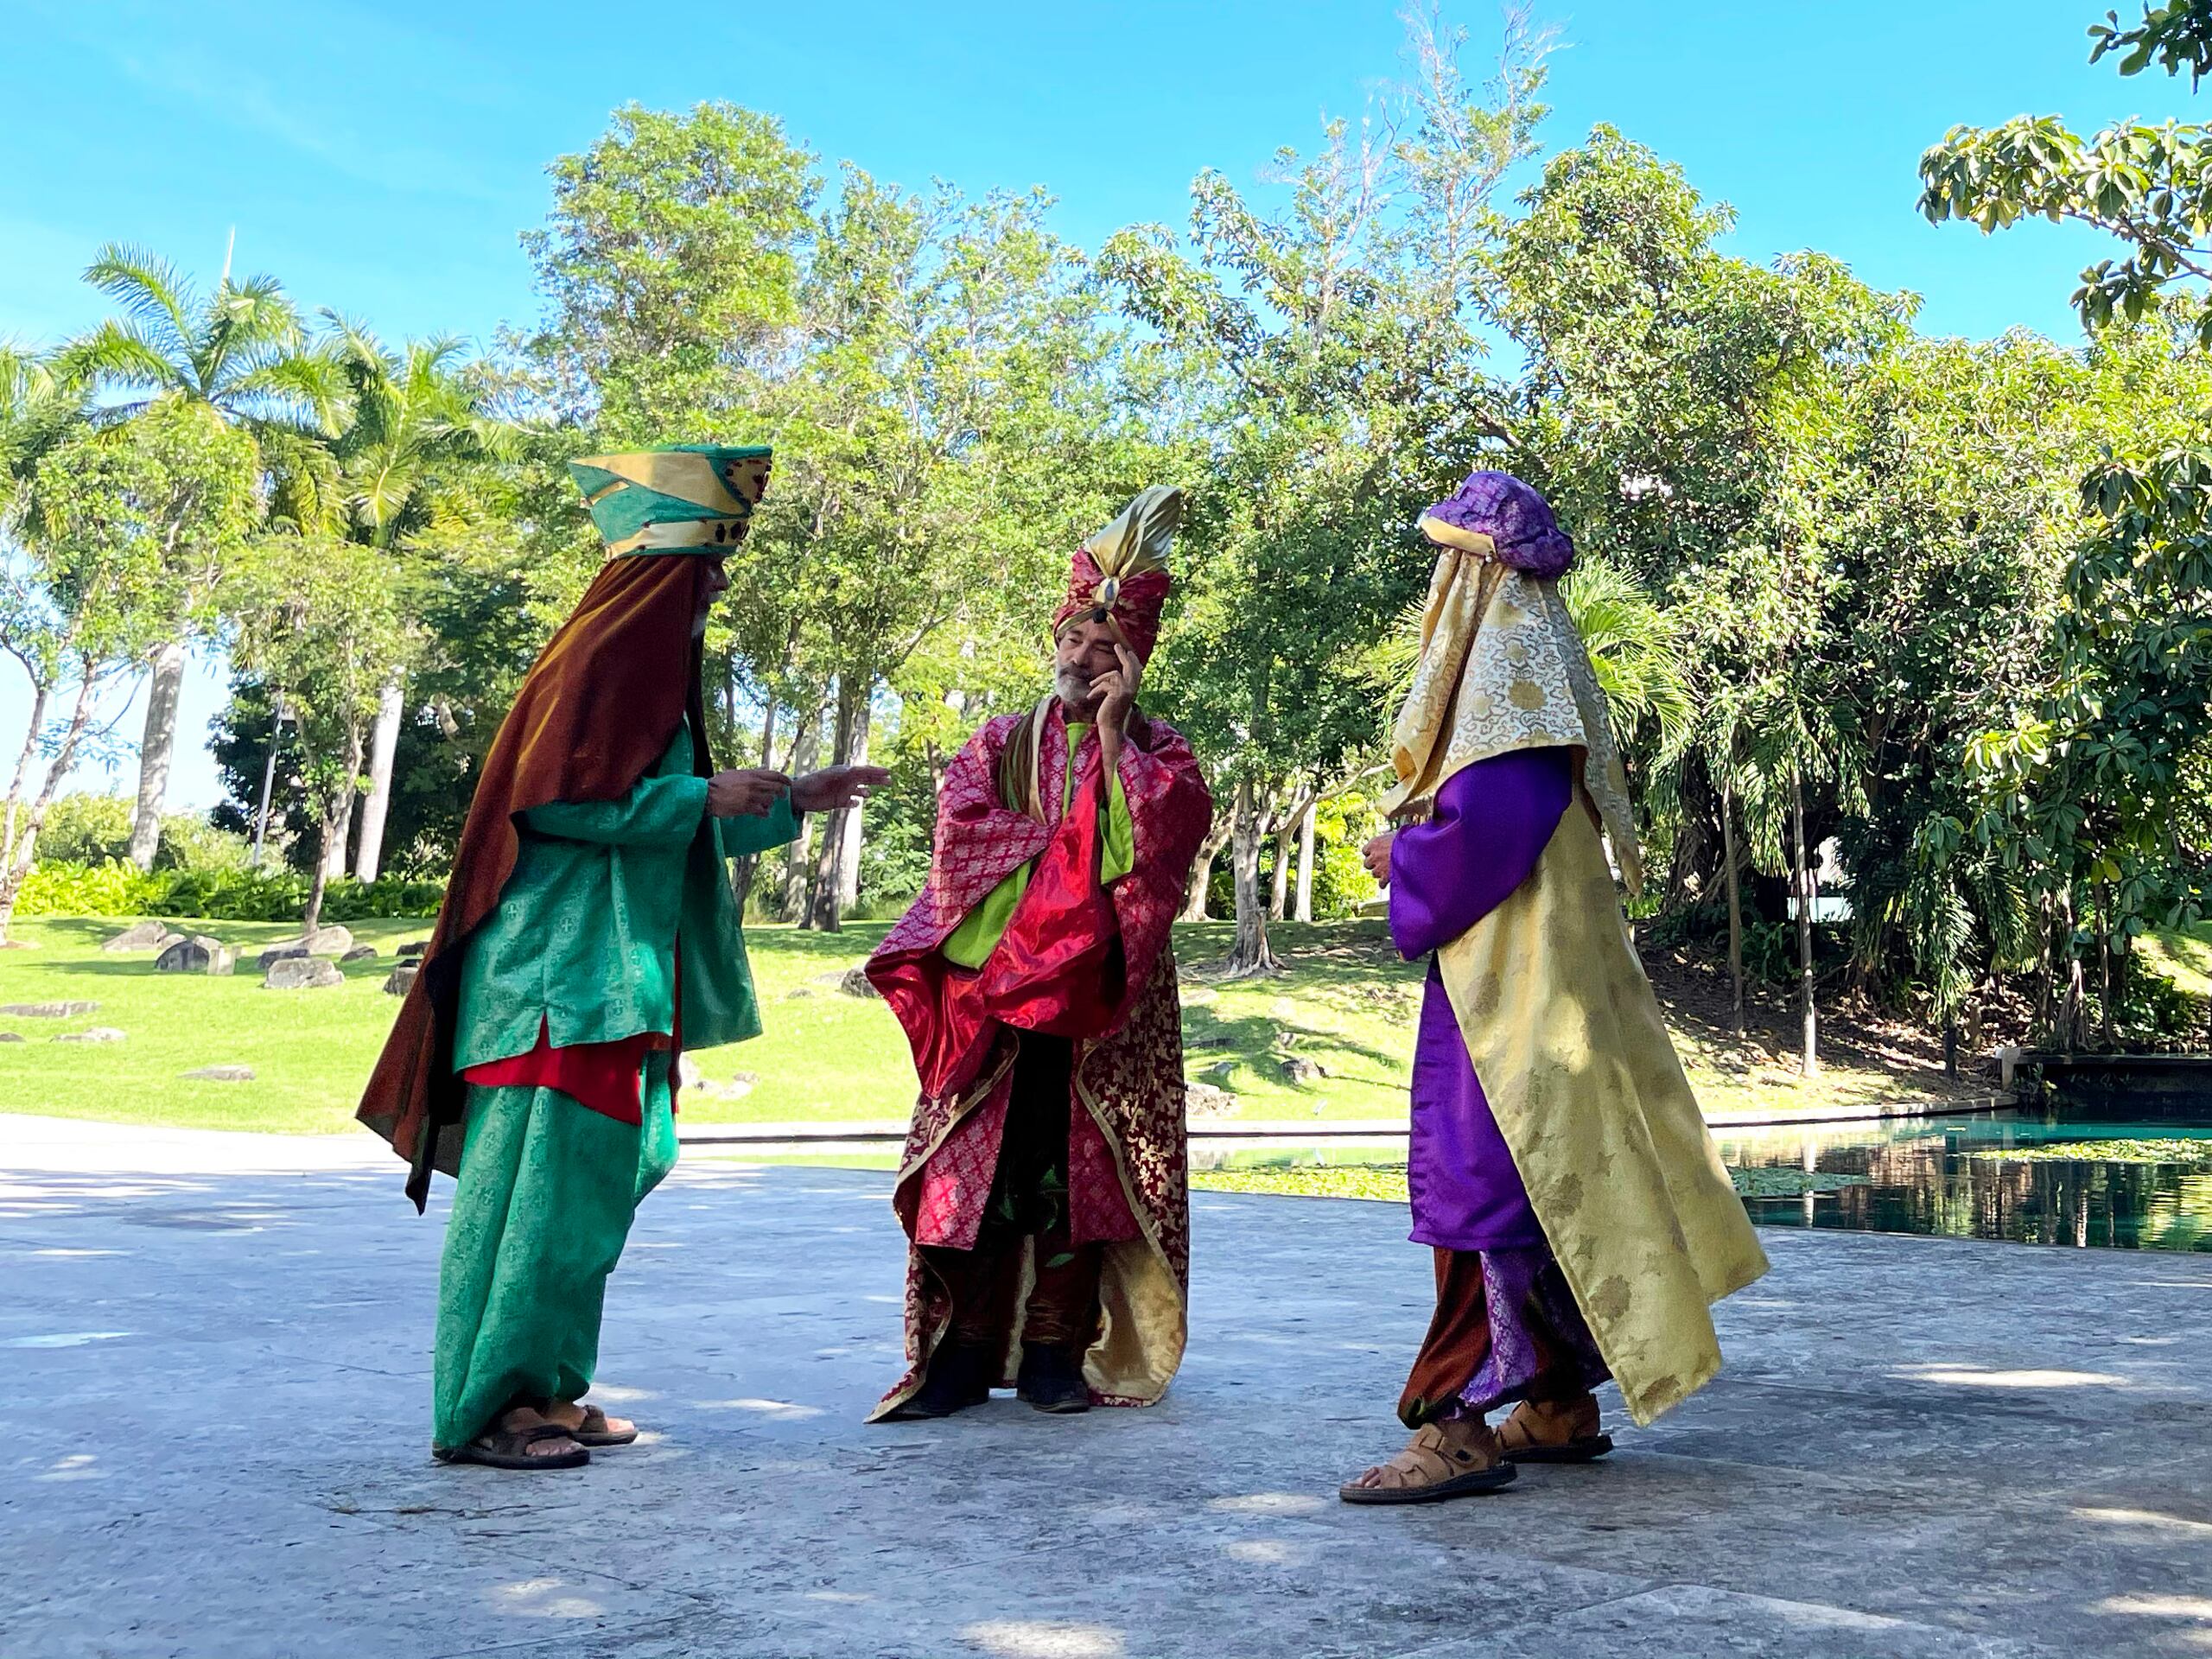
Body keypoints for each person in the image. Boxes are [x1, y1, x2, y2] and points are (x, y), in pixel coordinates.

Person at [359, 443, 887, 1471]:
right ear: (661, 577)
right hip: (558, 986)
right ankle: (490, 1406)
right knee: (533, 1202)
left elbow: (651, 828)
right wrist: (701, 796)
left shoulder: (640, 683)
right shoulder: (597, 663)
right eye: (710, 566)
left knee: (598, 1190)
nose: (721, 586)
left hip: (620, 980)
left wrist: (785, 798)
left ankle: (548, 1389)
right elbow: (552, 802)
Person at [1339, 469, 1769, 1504]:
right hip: (1540, 983)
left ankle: (1453, 1425)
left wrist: (1402, 855)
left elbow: (1482, 830)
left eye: (1449, 563)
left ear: (1477, 579)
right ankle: (1560, 1404)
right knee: (1538, 1190)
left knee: (1475, 1193)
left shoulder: (1505, 719)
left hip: (1511, 1001)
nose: (1439, 587)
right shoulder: (1525, 702)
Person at [865, 487, 1213, 1420]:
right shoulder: (997, 742)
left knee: (1082, 1164)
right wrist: (1058, 881)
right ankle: (966, 1346)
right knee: (979, 1160)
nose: (1085, 660)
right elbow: (962, 848)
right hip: (996, 991)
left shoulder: (1161, 749)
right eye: (1074, 642)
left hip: (1105, 998)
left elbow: (1160, 846)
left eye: (1109, 651)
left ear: (1135, 661)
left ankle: (1060, 1346)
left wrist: (1108, 740)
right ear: (1052, 640)